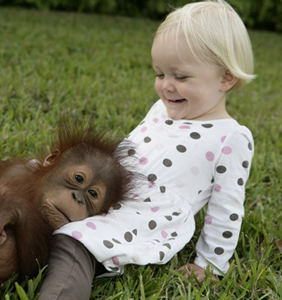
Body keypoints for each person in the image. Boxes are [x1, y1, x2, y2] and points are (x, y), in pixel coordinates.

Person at [38, 0, 256, 299]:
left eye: (180, 77)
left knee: (73, 244)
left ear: (226, 78)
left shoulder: (232, 138)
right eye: (160, 73)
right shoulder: (161, 109)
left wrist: (210, 264)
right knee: (32, 188)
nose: (166, 86)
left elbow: (226, 210)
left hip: (140, 218)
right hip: (106, 193)